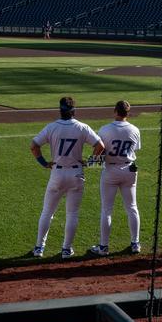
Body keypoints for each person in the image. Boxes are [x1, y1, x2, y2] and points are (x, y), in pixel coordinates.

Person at [30, 97, 105, 259]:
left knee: (47, 212)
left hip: (57, 173)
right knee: (72, 214)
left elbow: (34, 145)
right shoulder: (82, 127)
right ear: (74, 111)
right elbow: (100, 146)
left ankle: (39, 248)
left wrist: (44, 163)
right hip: (76, 174)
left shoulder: (52, 127)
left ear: (60, 110)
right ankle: (66, 249)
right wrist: (90, 162)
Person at [90, 100, 142, 256]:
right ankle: (135, 244)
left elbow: (99, 151)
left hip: (110, 171)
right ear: (128, 113)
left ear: (115, 111)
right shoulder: (135, 130)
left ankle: (104, 247)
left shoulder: (105, 129)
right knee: (132, 207)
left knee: (107, 210)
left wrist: (92, 161)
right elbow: (135, 149)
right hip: (129, 170)